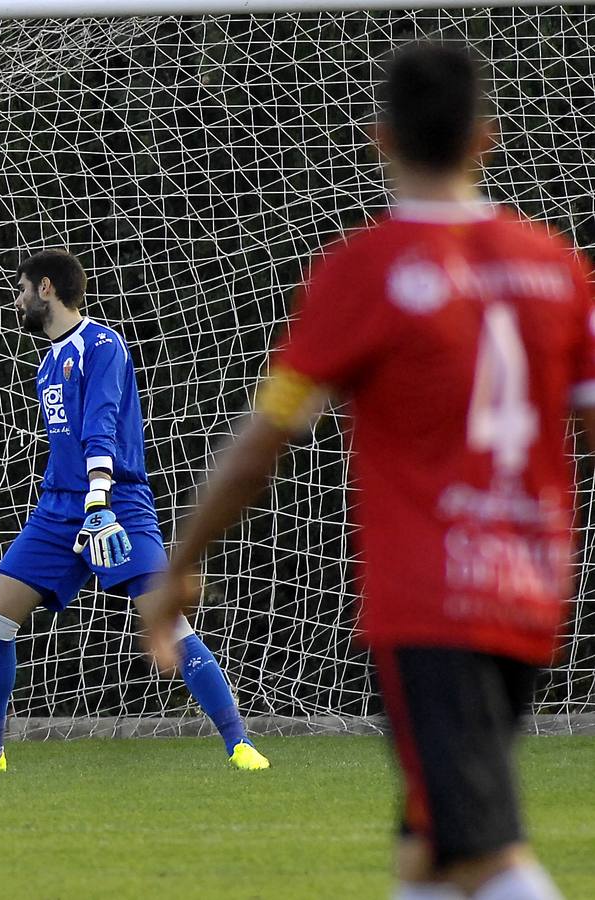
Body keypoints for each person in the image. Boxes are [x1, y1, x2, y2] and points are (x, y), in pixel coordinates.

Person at [143, 43, 585, 900]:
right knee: (428, 848)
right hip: (530, 588)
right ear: (484, 139)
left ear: (378, 138)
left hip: (431, 600)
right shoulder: (557, 267)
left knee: (489, 855)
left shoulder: (367, 269)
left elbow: (259, 445)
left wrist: (179, 563)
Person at [0, 249, 267, 774]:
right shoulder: (46, 363)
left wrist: (100, 500)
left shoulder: (101, 345)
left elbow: (102, 423)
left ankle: (239, 743)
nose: (15, 302)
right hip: (60, 508)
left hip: (117, 502)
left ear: (45, 289)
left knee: (165, 619)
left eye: (20, 290)